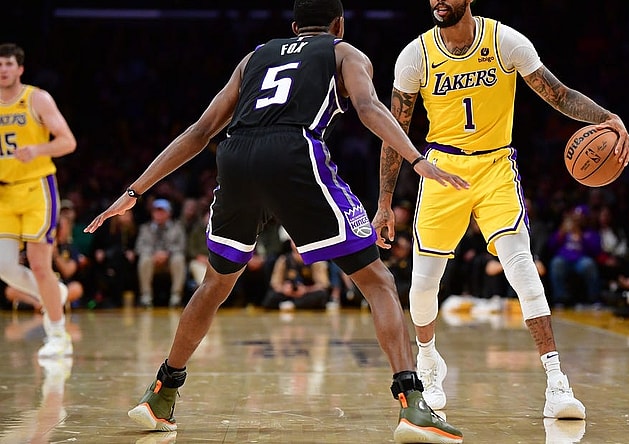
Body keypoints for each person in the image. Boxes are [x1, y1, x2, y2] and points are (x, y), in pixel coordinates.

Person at [84, 1, 467, 442]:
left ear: (292, 26)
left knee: (215, 283)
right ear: (338, 25)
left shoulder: (254, 57)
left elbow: (200, 130)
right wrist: (416, 158)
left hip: (236, 156)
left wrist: (134, 191)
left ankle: (161, 394)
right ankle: (412, 404)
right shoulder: (345, 53)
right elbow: (368, 107)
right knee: (378, 281)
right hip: (293, 155)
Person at [373, 0, 629, 419]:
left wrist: (608, 117)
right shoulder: (415, 55)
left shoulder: (503, 41)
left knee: (524, 272)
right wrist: (384, 203)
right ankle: (428, 362)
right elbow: (395, 130)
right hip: (442, 169)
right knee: (423, 286)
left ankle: (556, 383)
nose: (439, 1)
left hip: (495, 167)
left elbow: (558, 94)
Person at [0, 43, 77, 357]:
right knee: (4, 267)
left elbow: (67, 141)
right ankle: (55, 294)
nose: (2, 70)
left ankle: (58, 335)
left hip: (36, 188)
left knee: (39, 265)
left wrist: (37, 151)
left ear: (19, 69)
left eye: (7, 64)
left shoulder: (37, 98)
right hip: (4, 192)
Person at [135, 198, 187, 308]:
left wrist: (166, 254)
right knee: (144, 259)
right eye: (156, 211)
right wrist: (154, 254)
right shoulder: (145, 228)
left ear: (169, 213)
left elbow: (181, 246)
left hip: (170, 261)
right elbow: (140, 247)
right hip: (152, 260)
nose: (159, 214)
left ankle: (176, 297)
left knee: (179, 259)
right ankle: (146, 296)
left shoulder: (177, 227)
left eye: (162, 211)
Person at [261, 240, 331, 310]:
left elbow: (323, 284)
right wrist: (284, 289)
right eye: (293, 241)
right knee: (271, 296)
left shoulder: (316, 259)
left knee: (321, 295)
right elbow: (275, 283)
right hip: (288, 294)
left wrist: (306, 289)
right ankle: (294, 304)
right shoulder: (284, 259)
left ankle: (292, 305)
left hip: (307, 293)